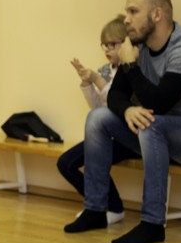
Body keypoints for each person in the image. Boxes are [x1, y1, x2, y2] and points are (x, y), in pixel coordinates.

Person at [64, 0, 181, 243]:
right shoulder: (139, 48)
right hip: (166, 134)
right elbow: (115, 95)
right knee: (99, 118)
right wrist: (127, 109)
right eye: (126, 12)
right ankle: (96, 209)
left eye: (133, 11)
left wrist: (129, 65)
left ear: (157, 14)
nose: (126, 20)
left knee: (150, 123)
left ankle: (152, 224)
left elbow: (159, 104)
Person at [56, 14, 132, 228]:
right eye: (105, 45)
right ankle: (100, 205)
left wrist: (97, 80)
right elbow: (98, 109)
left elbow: (118, 103)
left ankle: (112, 208)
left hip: (125, 136)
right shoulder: (105, 70)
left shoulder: (131, 70)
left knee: (95, 157)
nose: (108, 49)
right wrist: (87, 84)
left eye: (113, 44)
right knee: (65, 163)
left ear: (126, 44)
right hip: (105, 134)